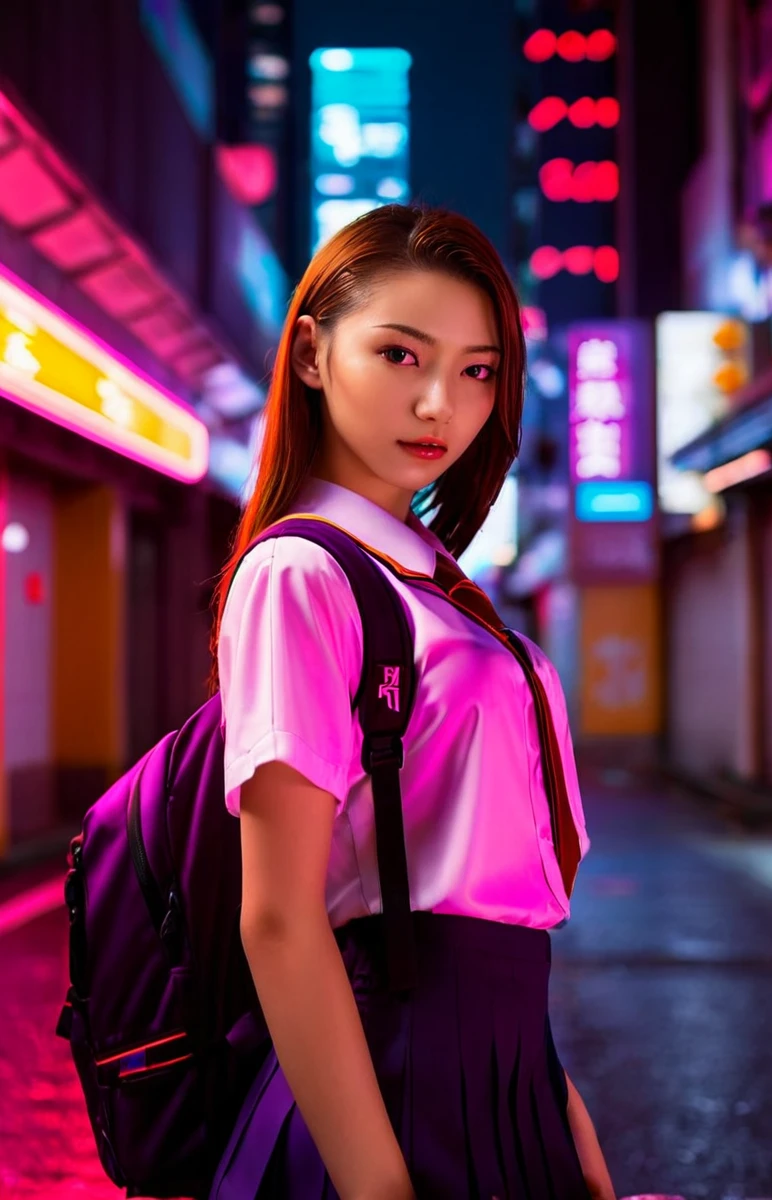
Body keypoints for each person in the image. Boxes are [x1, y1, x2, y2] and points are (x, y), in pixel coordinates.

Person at [210, 204, 616, 1200]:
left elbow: (505, 923)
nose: (440, 402)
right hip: (386, 1087)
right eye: (401, 354)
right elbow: (278, 915)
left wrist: (579, 1150)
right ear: (310, 353)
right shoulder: (302, 573)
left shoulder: (442, 586)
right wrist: (377, 1184)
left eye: (479, 371)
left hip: (510, 1077)